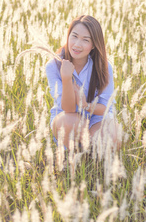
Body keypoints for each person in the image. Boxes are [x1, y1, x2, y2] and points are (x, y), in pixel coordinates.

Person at [46, 15, 119, 150]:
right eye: (74, 36)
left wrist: (85, 105)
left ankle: (91, 152)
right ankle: (71, 155)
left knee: (113, 135)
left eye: (85, 40)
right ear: (68, 36)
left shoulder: (104, 66)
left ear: (93, 45)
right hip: (67, 119)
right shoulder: (53, 66)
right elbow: (68, 109)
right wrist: (66, 79)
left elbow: (105, 107)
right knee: (69, 122)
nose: (77, 44)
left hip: (96, 118)